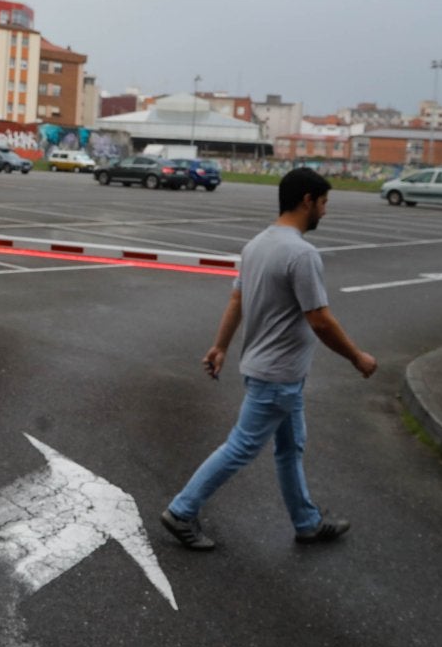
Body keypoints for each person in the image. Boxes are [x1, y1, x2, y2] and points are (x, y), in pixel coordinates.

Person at [161, 167, 377, 549]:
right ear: (307, 200)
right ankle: (181, 511)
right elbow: (320, 320)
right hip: (277, 376)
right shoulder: (301, 253)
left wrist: (221, 345)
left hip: (274, 372)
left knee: (290, 447)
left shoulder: (256, 244)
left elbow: (237, 299)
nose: (325, 212)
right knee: (241, 446)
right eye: (324, 203)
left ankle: (307, 522)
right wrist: (357, 357)